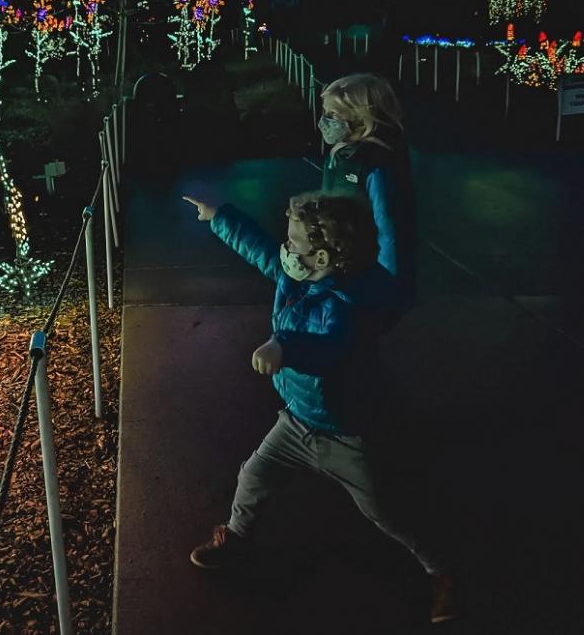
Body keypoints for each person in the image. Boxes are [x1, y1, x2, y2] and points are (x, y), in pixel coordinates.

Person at [181, 191, 456, 625]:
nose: (286, 249)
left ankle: (440, 569)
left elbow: (331, 350)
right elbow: (259, 249)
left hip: (344, 433)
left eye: (295, 243)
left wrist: (283, 346)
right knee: (253, 476)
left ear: (325, 256)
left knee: (384, 512)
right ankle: (234, 538)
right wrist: (220, 216)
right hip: (295, 421)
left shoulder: (346, 306)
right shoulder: (296, 277)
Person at [318, 73, 416, 313]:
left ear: (362, 115)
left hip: (366, 271)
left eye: (334, 114)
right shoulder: (341, 154)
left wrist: (388, 285)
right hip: (341, 266)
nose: (324, 121)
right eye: (325, 112)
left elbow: (389, 226)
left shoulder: (376, 162)